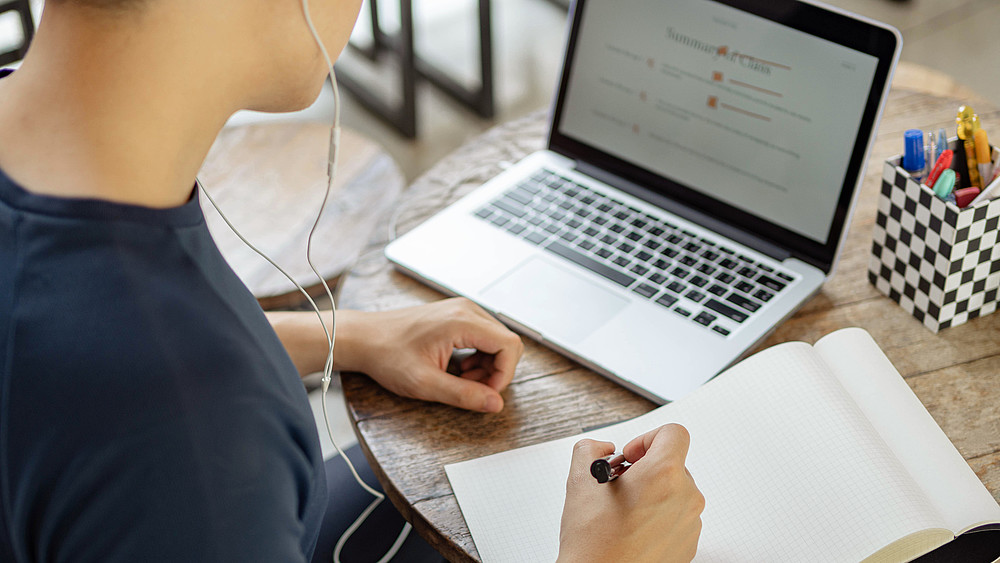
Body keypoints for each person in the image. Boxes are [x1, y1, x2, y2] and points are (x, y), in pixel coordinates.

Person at [0, 0, 704, 561]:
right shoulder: (195, 429)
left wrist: (347, 333)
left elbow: (64, 364)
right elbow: (149, 398)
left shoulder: (59, 176)